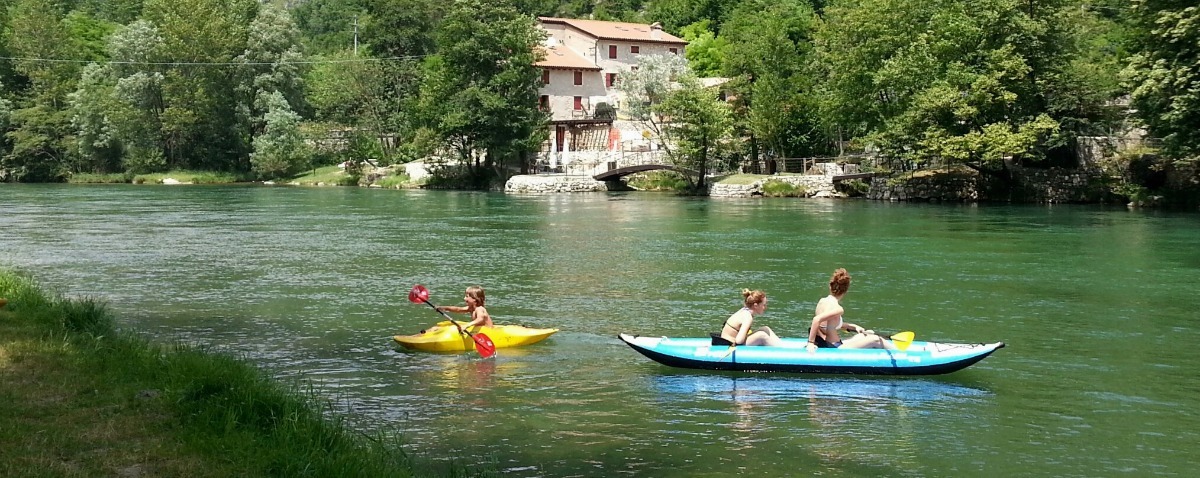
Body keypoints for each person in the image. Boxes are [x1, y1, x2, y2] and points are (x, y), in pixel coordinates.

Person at [805, 269, 895, 352]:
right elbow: (816, 320)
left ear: (830, 286)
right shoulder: (838, 308)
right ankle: (900, 353)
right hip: (835, 347)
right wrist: (810, 343)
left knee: (863, 335)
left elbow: (828, 325)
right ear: (846, 290)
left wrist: (855, 327)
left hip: (829, 343)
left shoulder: (822, 301)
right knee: (876, 339)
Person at [720, 289, 785, 346]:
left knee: (765, 328)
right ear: (755, 305)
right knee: (762, 335)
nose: (765, 307)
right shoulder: (747, 317)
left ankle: (781, 345)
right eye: (764, 305)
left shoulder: (744, 310)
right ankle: (782, 352)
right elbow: (739, 341)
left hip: (730, 339)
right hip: (729, 343)